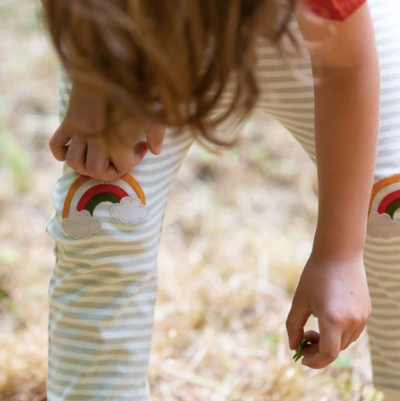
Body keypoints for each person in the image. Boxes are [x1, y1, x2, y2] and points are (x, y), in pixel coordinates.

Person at [40, 0, 399, 400]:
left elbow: (345, 63)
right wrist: (97, 74)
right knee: (105, 216)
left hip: (308, 26)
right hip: (134, 28)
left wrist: (340, 252)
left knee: (391, 204)